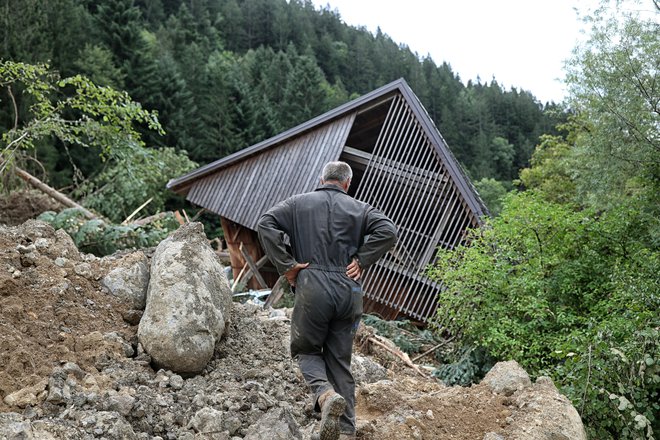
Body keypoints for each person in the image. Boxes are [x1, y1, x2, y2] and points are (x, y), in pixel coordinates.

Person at [257, 161, 397, 440]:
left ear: (322, 179)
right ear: (347, 184)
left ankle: (325, 394)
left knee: (306, 350)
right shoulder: (361, 208)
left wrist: (288, 265)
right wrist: (362, 259)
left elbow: (265, 224)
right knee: (339, 360)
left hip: (312, 286)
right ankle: (345, 430)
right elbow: (389, 231)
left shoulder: (298, 203)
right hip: (349, 289)